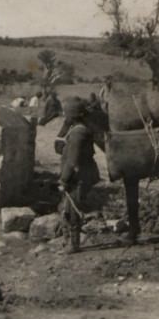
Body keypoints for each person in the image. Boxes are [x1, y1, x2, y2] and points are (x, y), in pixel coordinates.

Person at [58, 97, 102, 254]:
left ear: (72, 115)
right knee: (69, 208)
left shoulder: (78, 133)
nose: (64, 116)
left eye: (66, 114)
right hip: (79, 175)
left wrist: (64, 180)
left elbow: (72, 161)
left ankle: (74, 245)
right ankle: (69, 241)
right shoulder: (79, 129)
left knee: (72, 210)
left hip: (78, 178)